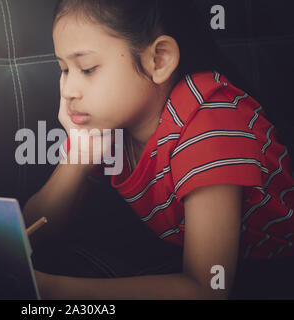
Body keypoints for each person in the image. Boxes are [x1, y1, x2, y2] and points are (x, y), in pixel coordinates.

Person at [23, 0, 294, 299]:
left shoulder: (209, 125)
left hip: (270, 272)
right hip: (176, 255)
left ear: (159, 59)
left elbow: (209, 288)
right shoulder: (108, 118)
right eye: (63, 69)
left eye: (87, 68)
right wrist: (78, 160)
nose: (68, 90)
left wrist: (52, 291)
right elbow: (29, 233)